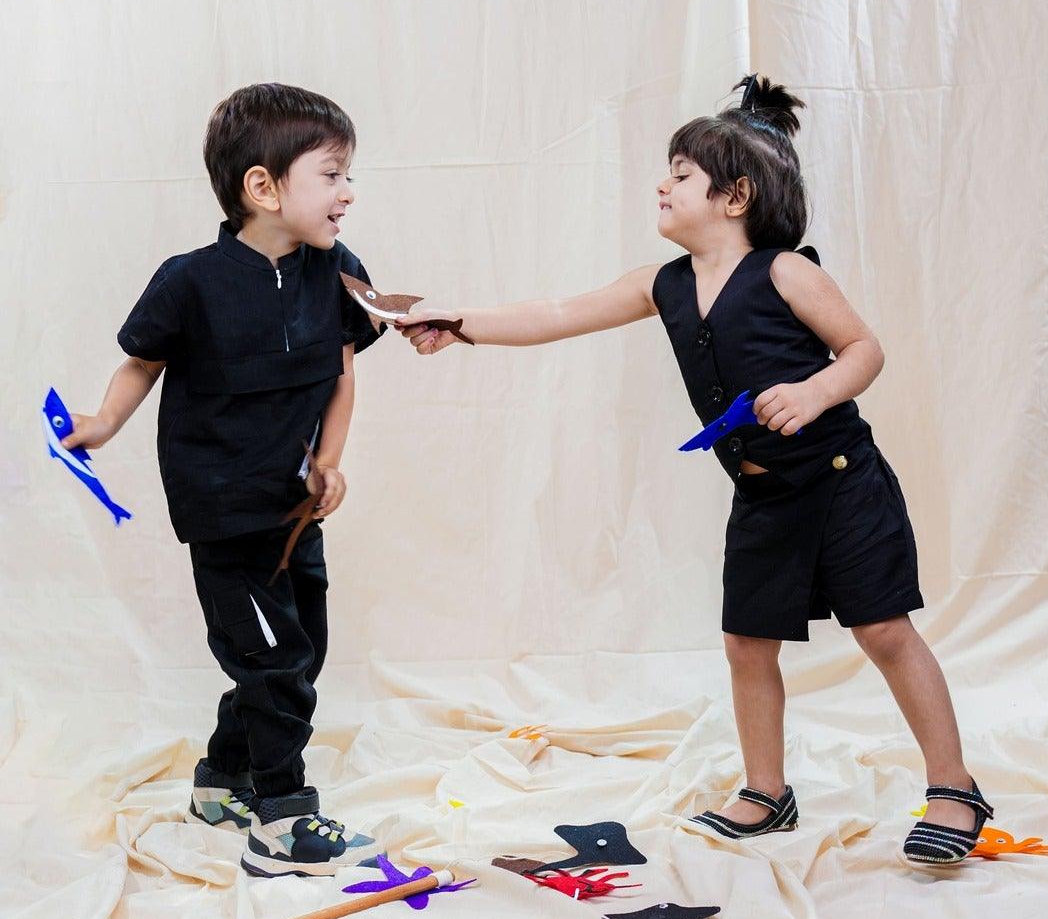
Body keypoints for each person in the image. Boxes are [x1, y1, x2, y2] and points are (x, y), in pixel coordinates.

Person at [399, 75, 992, 867]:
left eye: (681, 174)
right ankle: (767, 791)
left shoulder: (787, 273)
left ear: (735, 196)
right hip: (763, 495)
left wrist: (815, 392)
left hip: (842, 480)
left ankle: (954, 787)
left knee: (883, 629)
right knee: (747, 643)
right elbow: (556, 314)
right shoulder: (663, 284)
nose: (662, 185)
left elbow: (864, 350)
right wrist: (458, 323)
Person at [64, 83, 384, 876]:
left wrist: (328, 462)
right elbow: (143, 362)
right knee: (273, 661)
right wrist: (103, 422)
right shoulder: (190, 280)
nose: (348, 192)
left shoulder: (337, 272)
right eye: (332, 175)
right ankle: (282, 819)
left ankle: (223, 781)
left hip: (294, 509)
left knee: (298, 652)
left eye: (348, 175)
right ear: (263, 187)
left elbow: (342, 374)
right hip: (221, 508)